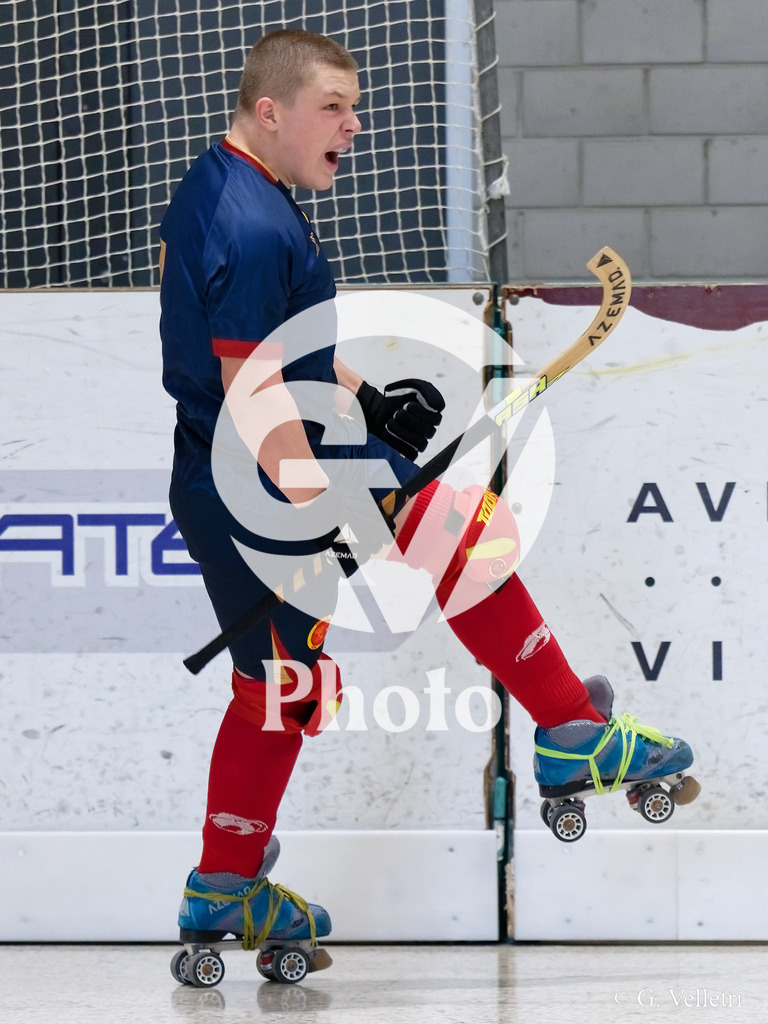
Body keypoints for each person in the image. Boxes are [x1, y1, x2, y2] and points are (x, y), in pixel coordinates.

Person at [160, 28, 696, 976]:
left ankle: (226, 884)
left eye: (354, 107)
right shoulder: (249, 224)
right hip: (263, 478)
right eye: (334, 107)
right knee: (287, 690)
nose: (355, 126)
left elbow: (289, 346)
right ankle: (230, 879)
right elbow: (253, 389)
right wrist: (314, 507)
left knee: (410, 575)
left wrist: (366, 398)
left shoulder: (239, 187)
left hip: (264, 464)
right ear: (271, 110)